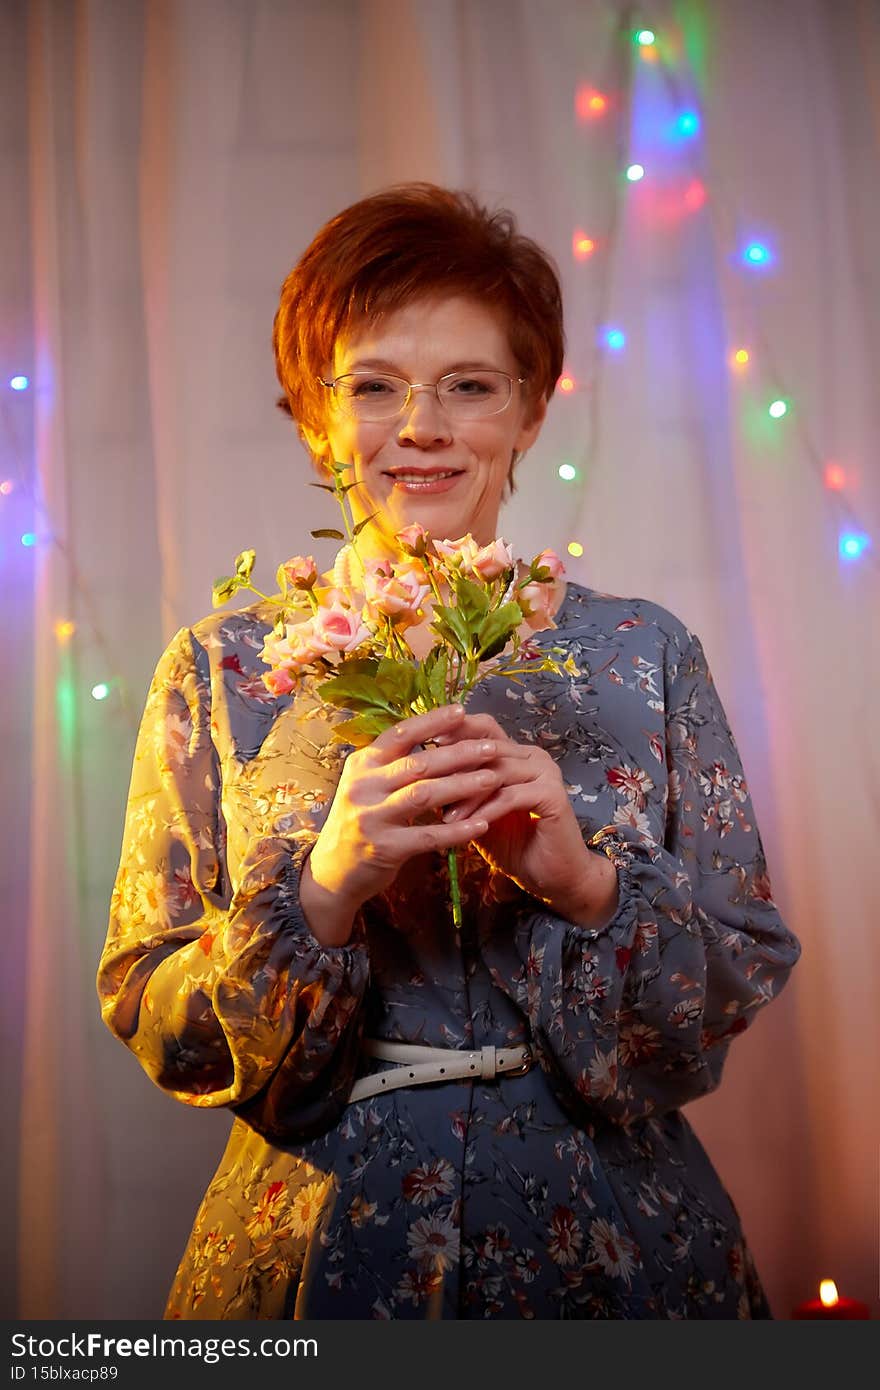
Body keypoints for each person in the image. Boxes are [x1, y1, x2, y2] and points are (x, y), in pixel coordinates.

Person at [97, 182, 801, 1320]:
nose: (421, 425)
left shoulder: (645, 654)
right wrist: (324, 890)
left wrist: (586, 886)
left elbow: (734, 974)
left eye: (469, 385)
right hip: (322, 1255)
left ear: (530, 411)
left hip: (616, 1250)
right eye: (373, 385)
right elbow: (155, 1013)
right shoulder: (220, 671)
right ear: (313, 416)